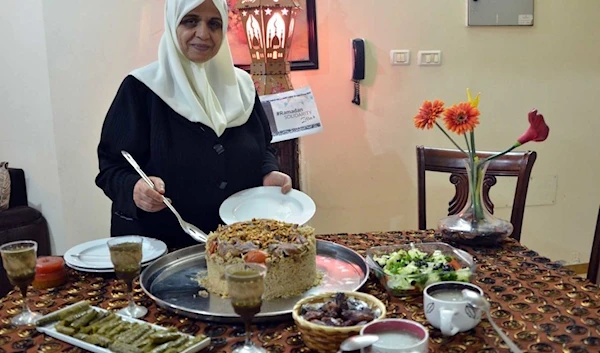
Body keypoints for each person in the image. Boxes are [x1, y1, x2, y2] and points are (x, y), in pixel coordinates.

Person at [95, 0, 292, 249]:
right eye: (190, 21)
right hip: (162, 249)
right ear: (172, 24)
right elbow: (111, 167)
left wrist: (268, 172)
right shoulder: (141, 89)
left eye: (214, 24)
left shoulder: (242, 87)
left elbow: (263, 147)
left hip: (239, 246)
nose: (203, 33)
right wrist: (135, 188)